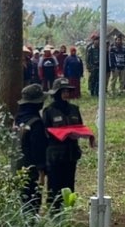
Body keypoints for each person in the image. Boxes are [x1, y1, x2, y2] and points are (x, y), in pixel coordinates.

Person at [43, 78, 93, 212]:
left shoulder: (74, 109)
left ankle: (68, 210)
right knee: (54, 184)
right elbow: (45, 133)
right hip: (55, 154)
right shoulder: (49, 111)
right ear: (56, 93)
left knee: (69, 183)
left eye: (67, 91)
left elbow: (80, 127)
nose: (65, 94)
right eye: (62, 91)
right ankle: (54, 210)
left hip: (71, 153)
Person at [14, 83, 48, 213]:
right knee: (32, 204)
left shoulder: (18, 119)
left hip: (17, 168)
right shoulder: (36, 123)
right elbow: (38, 149)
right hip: (31, 170)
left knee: (22, 202)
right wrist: (41, 172)